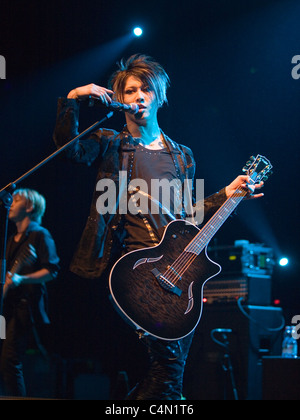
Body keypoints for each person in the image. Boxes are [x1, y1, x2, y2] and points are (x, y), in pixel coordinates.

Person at [53, 54, 264, 400]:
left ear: (159, 95)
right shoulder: (110, 144)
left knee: (167, 372)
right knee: (168, 366)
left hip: (176, 273)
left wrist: (227, 193)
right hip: (132, 268)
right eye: (130, 90)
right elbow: (68, 150)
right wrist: (75, 97)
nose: (139, 96)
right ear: (118, 98)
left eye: (145, 89)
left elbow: (187, 215)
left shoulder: (182, 156)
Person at [0, 188, 60, 397]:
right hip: (5, 309)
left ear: (29, 207)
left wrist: (21, 278)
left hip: (24, 307)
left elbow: (51, 271)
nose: (11, 204)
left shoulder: (39, 234)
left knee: (10, 358)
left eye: (16, 200)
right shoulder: (11, 239)